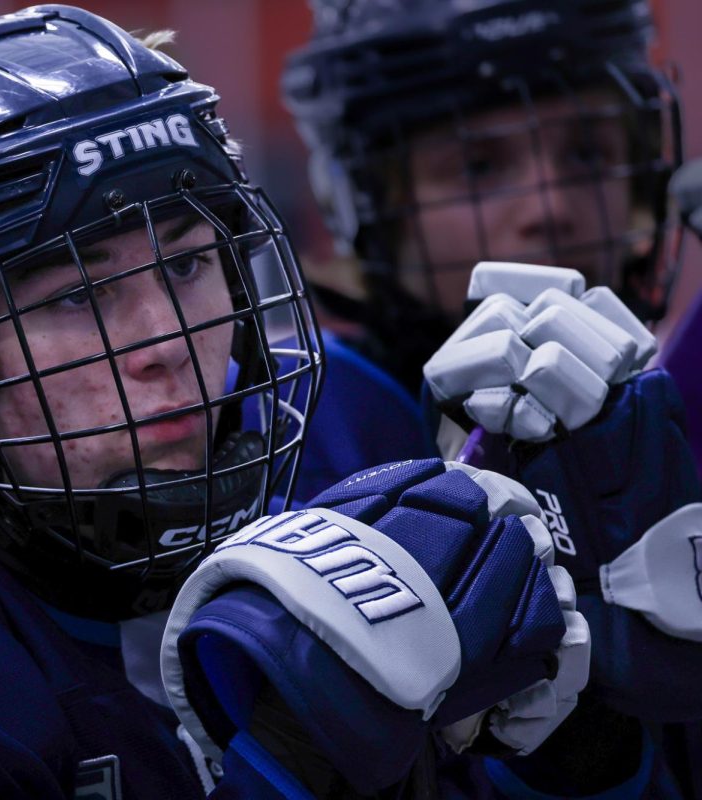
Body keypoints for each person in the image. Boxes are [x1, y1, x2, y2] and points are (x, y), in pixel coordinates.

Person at [0, 7, 588, 797]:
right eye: (77, 294)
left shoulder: (354, 478)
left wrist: (598, 741)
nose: (169, 346)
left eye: (187, 264)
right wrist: (291, 769)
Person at [283, 1, 702, 795]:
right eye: (477, 168)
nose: (551, 205)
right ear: (365, 203)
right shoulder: (299, 435)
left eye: (588, 152)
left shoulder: (672, 405)